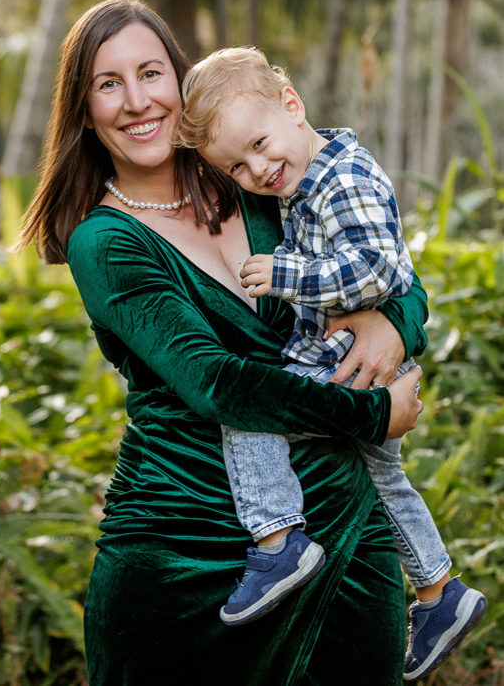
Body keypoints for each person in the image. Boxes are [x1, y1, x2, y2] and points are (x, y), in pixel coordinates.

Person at [16, 0, 426, 686]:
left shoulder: (259, 179)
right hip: (190, 556)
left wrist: (393, 323)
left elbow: (392, 271)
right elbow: (216, 383)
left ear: (182, 83)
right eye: (107, 84)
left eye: (151, 73)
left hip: (346, 538)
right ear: (85, 111)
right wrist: (375, 414)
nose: (137, 101)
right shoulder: (106, 241)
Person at [178, 47, 487, 678]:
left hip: (340, 362)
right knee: (384, 481)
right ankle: (437, 590)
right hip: (354, 360)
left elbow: (380, 269)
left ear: (292, 105)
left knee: (251, 414)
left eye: (261, 145)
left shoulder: (341, 179)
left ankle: (278, 540)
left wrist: (286, 273)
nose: (258, 169)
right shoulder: (307, 177)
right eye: (237, 166)